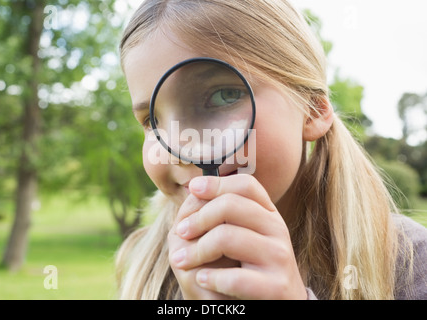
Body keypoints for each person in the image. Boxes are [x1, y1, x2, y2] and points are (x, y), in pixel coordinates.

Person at [115, 0, 427, 299]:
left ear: (313, 109)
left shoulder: (411, 265)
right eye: (152, 120)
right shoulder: (150, 270)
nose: (178, 148)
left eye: (223, 96)